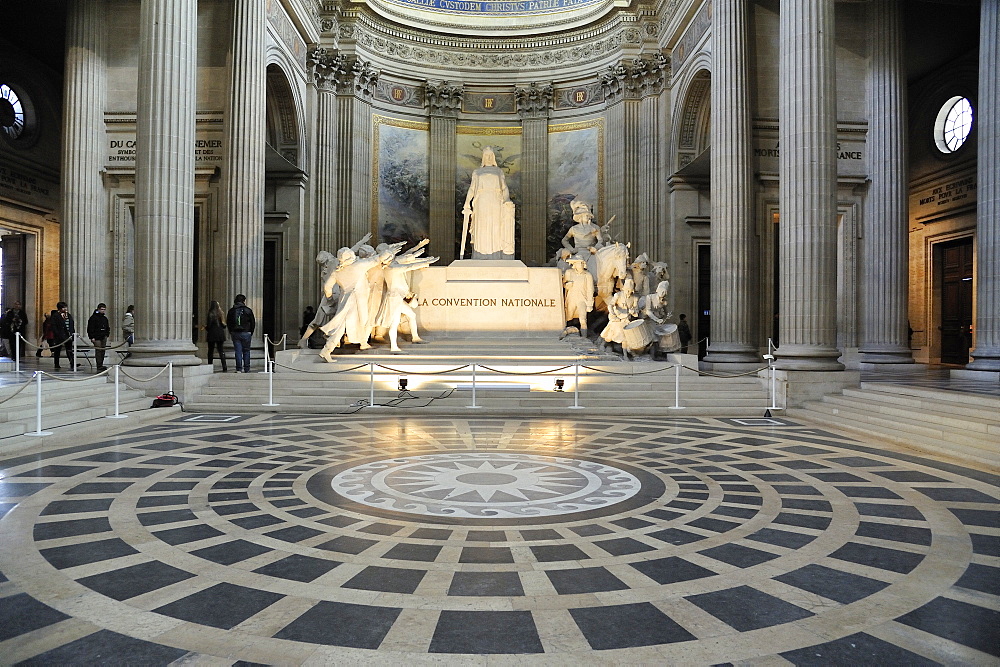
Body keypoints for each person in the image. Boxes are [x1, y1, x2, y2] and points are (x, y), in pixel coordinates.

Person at [461, 146, 515, 259]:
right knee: (482, 227)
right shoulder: (477, 172)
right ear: (483, 157)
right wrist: (467, 203)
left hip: (496, 201)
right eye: (487, 155)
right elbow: (472, 188)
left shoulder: (499, 171)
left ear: (494, 157)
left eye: (491, 155)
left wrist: (507, 200)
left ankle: (496, 255)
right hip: (481, 201)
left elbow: (504, 188)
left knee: (496, 226)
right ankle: (480, 255)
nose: (489, 157)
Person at [563, 256, 595, 337]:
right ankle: (567, 334)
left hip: (582, 299)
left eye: (581, 263)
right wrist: (567, 285)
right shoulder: (569, 273)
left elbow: (590, 289)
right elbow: (564, 284)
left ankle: (584, 337)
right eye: (578, 263)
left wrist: (590, 303)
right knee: (568, 317)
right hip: (571, 298)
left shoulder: (587, 275)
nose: (580, 265)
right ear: (575, 264)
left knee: (583, 319)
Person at [226, 294, 255, 373]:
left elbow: (228, 322)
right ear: (244, 301)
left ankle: (239, 368)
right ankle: (247, 368)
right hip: (246, 332)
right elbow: (252, 322)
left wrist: (231, 331)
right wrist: (250, 332)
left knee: (238, 351)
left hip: (235, 333)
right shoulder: (248, 310)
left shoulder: (231, 311)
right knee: (246, 351)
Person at [50, 301, 76, 370]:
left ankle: (72, 362)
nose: (65, 309)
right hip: (59, 335)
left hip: (68, 335)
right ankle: (56, 363)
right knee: (57, 350)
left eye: (65, 307)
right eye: (64, 307)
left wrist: (72, 332)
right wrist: (57, 333)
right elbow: (53, 326)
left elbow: (71, 324)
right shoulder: (55, 316)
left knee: (69, 350)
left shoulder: (68, 315)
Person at [87, 303, 111, 371]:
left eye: (104, 309)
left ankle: (101, 364)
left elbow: (107, 327)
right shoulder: (93, 318)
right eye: (102, 309)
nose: (103, 311)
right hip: (96, 337)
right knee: (98, 350)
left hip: (103, 336)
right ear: (98, 309)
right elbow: (90, 328)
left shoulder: (104, 318)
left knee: (102, 351)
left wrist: (107, 334)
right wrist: (91, 337)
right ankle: (99, 365)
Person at [205, 300, 228, 372]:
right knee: (221, 351)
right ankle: (224, 366)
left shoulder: (210, 313)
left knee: (211, 350)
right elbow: (224, 325)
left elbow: (209, 325)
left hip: (212, 334)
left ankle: (210, 365)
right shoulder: (221, 313)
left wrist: (205, 327)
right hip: (220, 334)